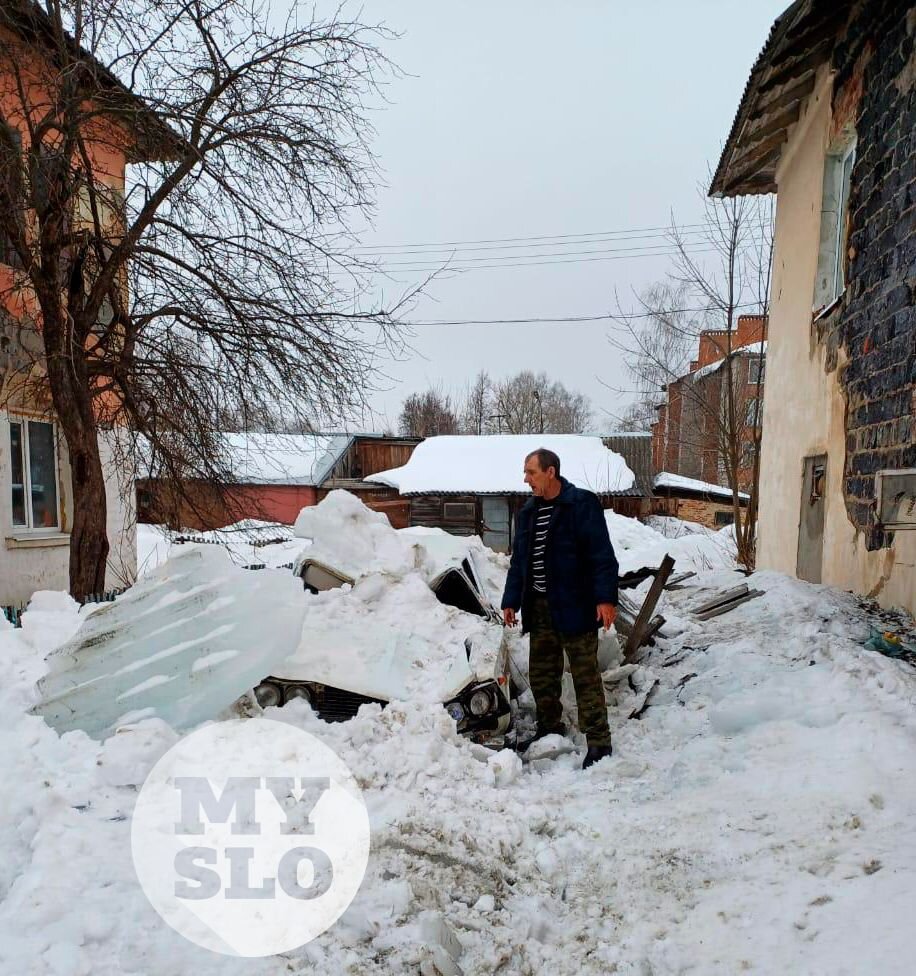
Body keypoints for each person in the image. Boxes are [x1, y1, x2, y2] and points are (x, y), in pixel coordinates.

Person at [501, 448, 619, 769]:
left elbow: (601, 555)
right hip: (539, 607)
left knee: (585, 675)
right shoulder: (527, 512)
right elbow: (519, 562)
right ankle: (550, 727)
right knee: (542, 675)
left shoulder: (581, 504)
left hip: (576, 605)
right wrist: (511, 600)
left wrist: (605, 598)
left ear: (550, 472)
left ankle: (598, 741)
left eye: (531, 473)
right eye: (526, 473)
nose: (526, 479)